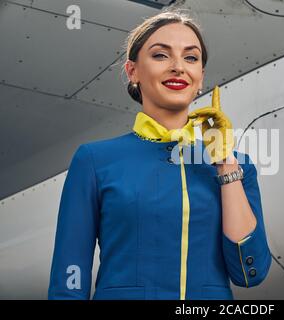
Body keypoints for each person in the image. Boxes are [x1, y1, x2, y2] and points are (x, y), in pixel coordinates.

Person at [48, 8, 271, 300]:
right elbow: (68, 279)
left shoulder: (238, 166)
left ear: (201, 77)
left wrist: (224, 162)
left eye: (190, 58)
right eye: (161, 55)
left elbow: (248, 274)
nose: (178, 67)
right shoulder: (94, 160)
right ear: (133, 71)